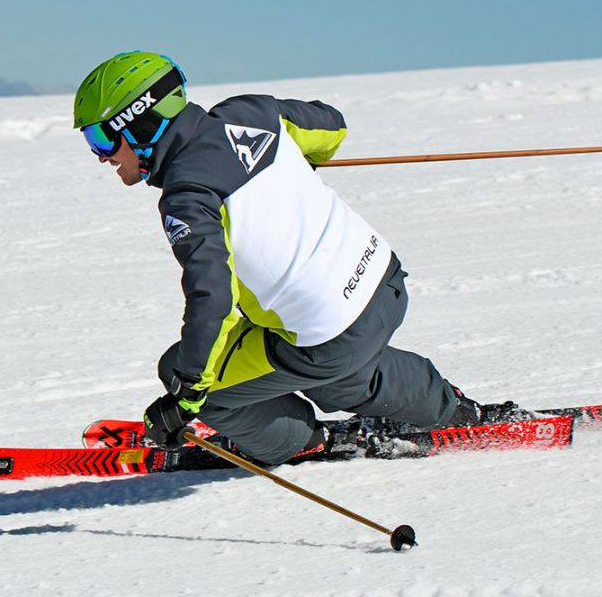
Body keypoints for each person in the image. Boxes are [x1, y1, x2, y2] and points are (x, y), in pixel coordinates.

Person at [72, 52, 526, 465]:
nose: (101, 157)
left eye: (101, 139)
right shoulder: (251, 114)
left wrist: (187, 397)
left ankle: (298, 441)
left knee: (183, 371)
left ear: (141, 124)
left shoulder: (188, 197)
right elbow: (332, 126)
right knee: (340, 376)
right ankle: (455, 411)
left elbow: (213, 299)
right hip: (383, 283)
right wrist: (299, 155)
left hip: (329, 338)